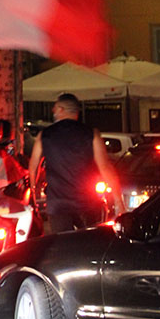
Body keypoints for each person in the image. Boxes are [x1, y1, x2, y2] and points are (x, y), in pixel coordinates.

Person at [28, 93, 124, 233]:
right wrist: (118, 200)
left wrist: (34, 194)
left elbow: (33, 167)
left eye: (55, 108)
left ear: (61, 109)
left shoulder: (45, 135)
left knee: (62, 242)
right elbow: (105, 167)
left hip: (58, 204)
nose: (53, 111)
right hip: (87, 202)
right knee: (90, 241)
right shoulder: (91, 134)